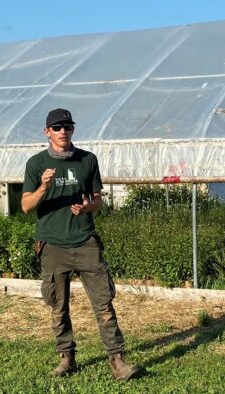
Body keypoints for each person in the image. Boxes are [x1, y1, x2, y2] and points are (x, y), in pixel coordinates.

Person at [21, 108, 140, 380]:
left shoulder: (87, 160)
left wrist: (88, 207)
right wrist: (42, 187)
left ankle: (117, 360)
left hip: (85, 242)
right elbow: (26, 206)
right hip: (52, 246)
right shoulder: (36, 164)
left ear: (73, 130)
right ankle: (66, 358)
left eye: (68, 126)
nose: (63, 131)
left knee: (104, 305)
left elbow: (98, 201)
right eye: (57, 127)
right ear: (47, 132)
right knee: (58, 307)